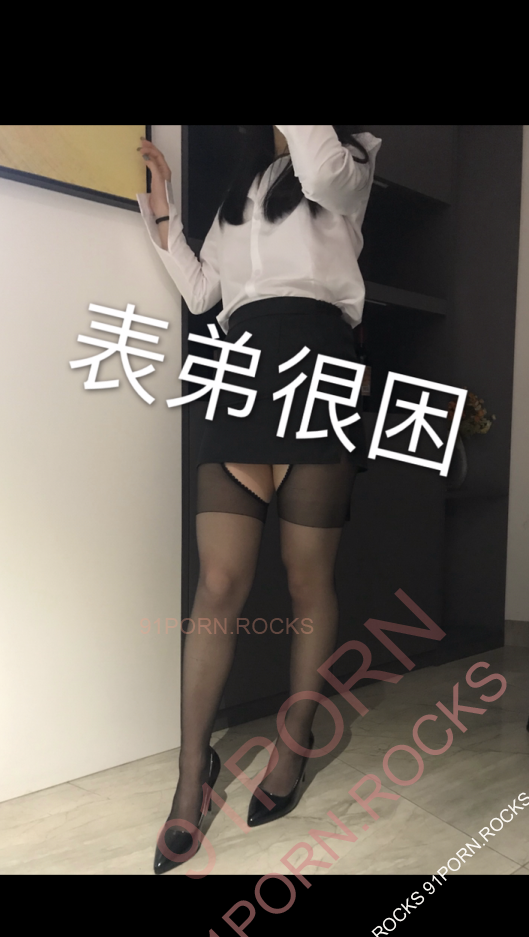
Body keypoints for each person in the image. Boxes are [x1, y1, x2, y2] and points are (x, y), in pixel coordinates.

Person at [137, 125, 382, 875]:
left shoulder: (351, 157)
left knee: (308, 579)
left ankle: (293, 743)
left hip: (319, 362)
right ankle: (192, 774)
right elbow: (205, 293)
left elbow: (322, 174)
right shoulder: (240, 189)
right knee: (218, 581)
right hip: (242, 370)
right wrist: (162, 212)